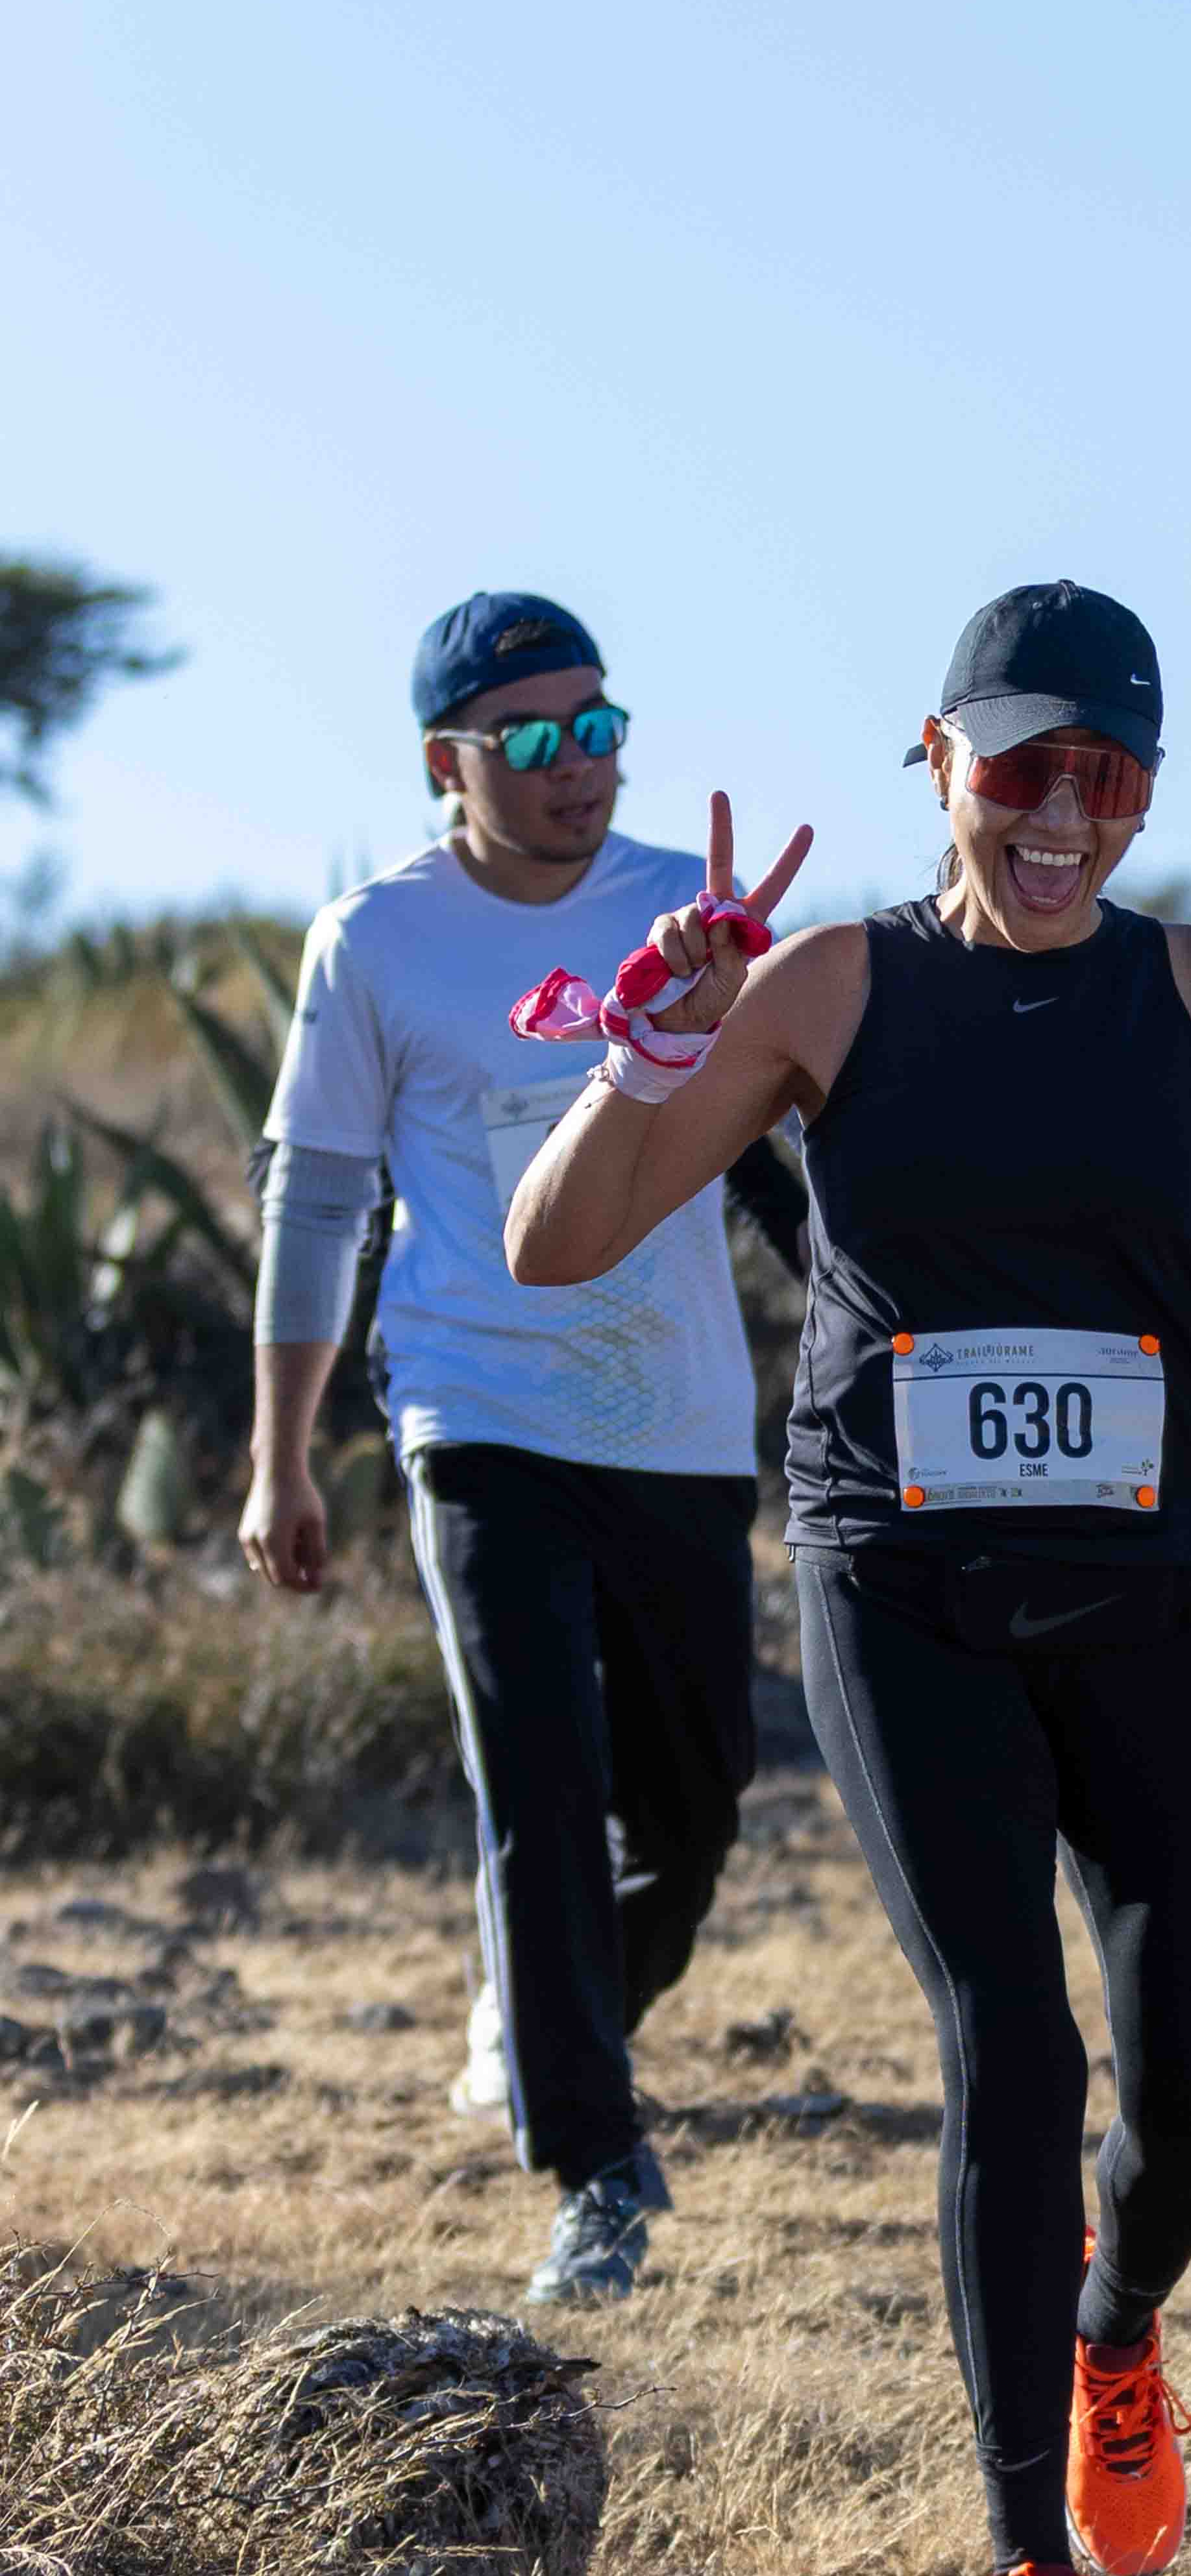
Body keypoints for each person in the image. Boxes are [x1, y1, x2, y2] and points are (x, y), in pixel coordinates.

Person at [504, 580, 1191, 2576]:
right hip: (903, 1589)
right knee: (1011, 2042)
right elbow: (560, 1243)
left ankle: (1117, 2324)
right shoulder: (829, 986)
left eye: (1107, 777)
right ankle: (1030, 2573)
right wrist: (658, 1042)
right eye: (1023, 769)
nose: (1061, 816)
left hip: (1159, 1593)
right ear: (939, 763)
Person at [241, 590, 770, 2309]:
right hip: (475, 1408)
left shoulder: (688, 914)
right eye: (532, 738)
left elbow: (790, 1161)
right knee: (537, 1779)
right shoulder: (377, 943)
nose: (576, 766)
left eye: (598, 728)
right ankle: (595, 2172)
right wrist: (282, 1455)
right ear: (445, 762)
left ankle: (555, 2011)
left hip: (676, 1416)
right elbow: (319, 1201)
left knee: (693, 1807)